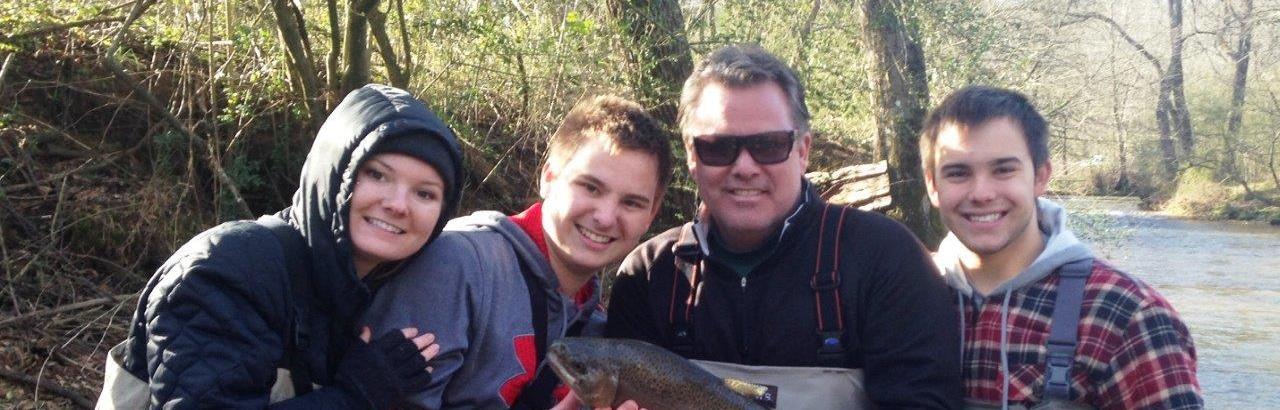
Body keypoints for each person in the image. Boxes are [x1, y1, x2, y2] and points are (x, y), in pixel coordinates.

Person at [605, 44, 962, 409]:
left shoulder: (885, 258)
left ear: (803, 150)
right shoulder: (648, 276)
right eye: (718, 147)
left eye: (768, 144)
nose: (744, 167)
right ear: (692, 157)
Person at [100, 84, 464, 409]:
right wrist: (355, 396)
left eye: (424, 193)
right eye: (377, 175)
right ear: (334, 174)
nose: (399, 204)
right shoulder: (228, 270)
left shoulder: (375, 294)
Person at [362, 95, 673, 409]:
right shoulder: (456, 267)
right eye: (590, 187)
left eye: (631, 203)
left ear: (651, 215)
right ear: (548, 178)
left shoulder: (596, 329)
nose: (605, 216)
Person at [920, 85, 1202, 409]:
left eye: (1003, 170)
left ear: (1041, 176)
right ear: (932, 185)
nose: (982, 193)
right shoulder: (897, 297)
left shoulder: (1127, 314)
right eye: (958, 173)